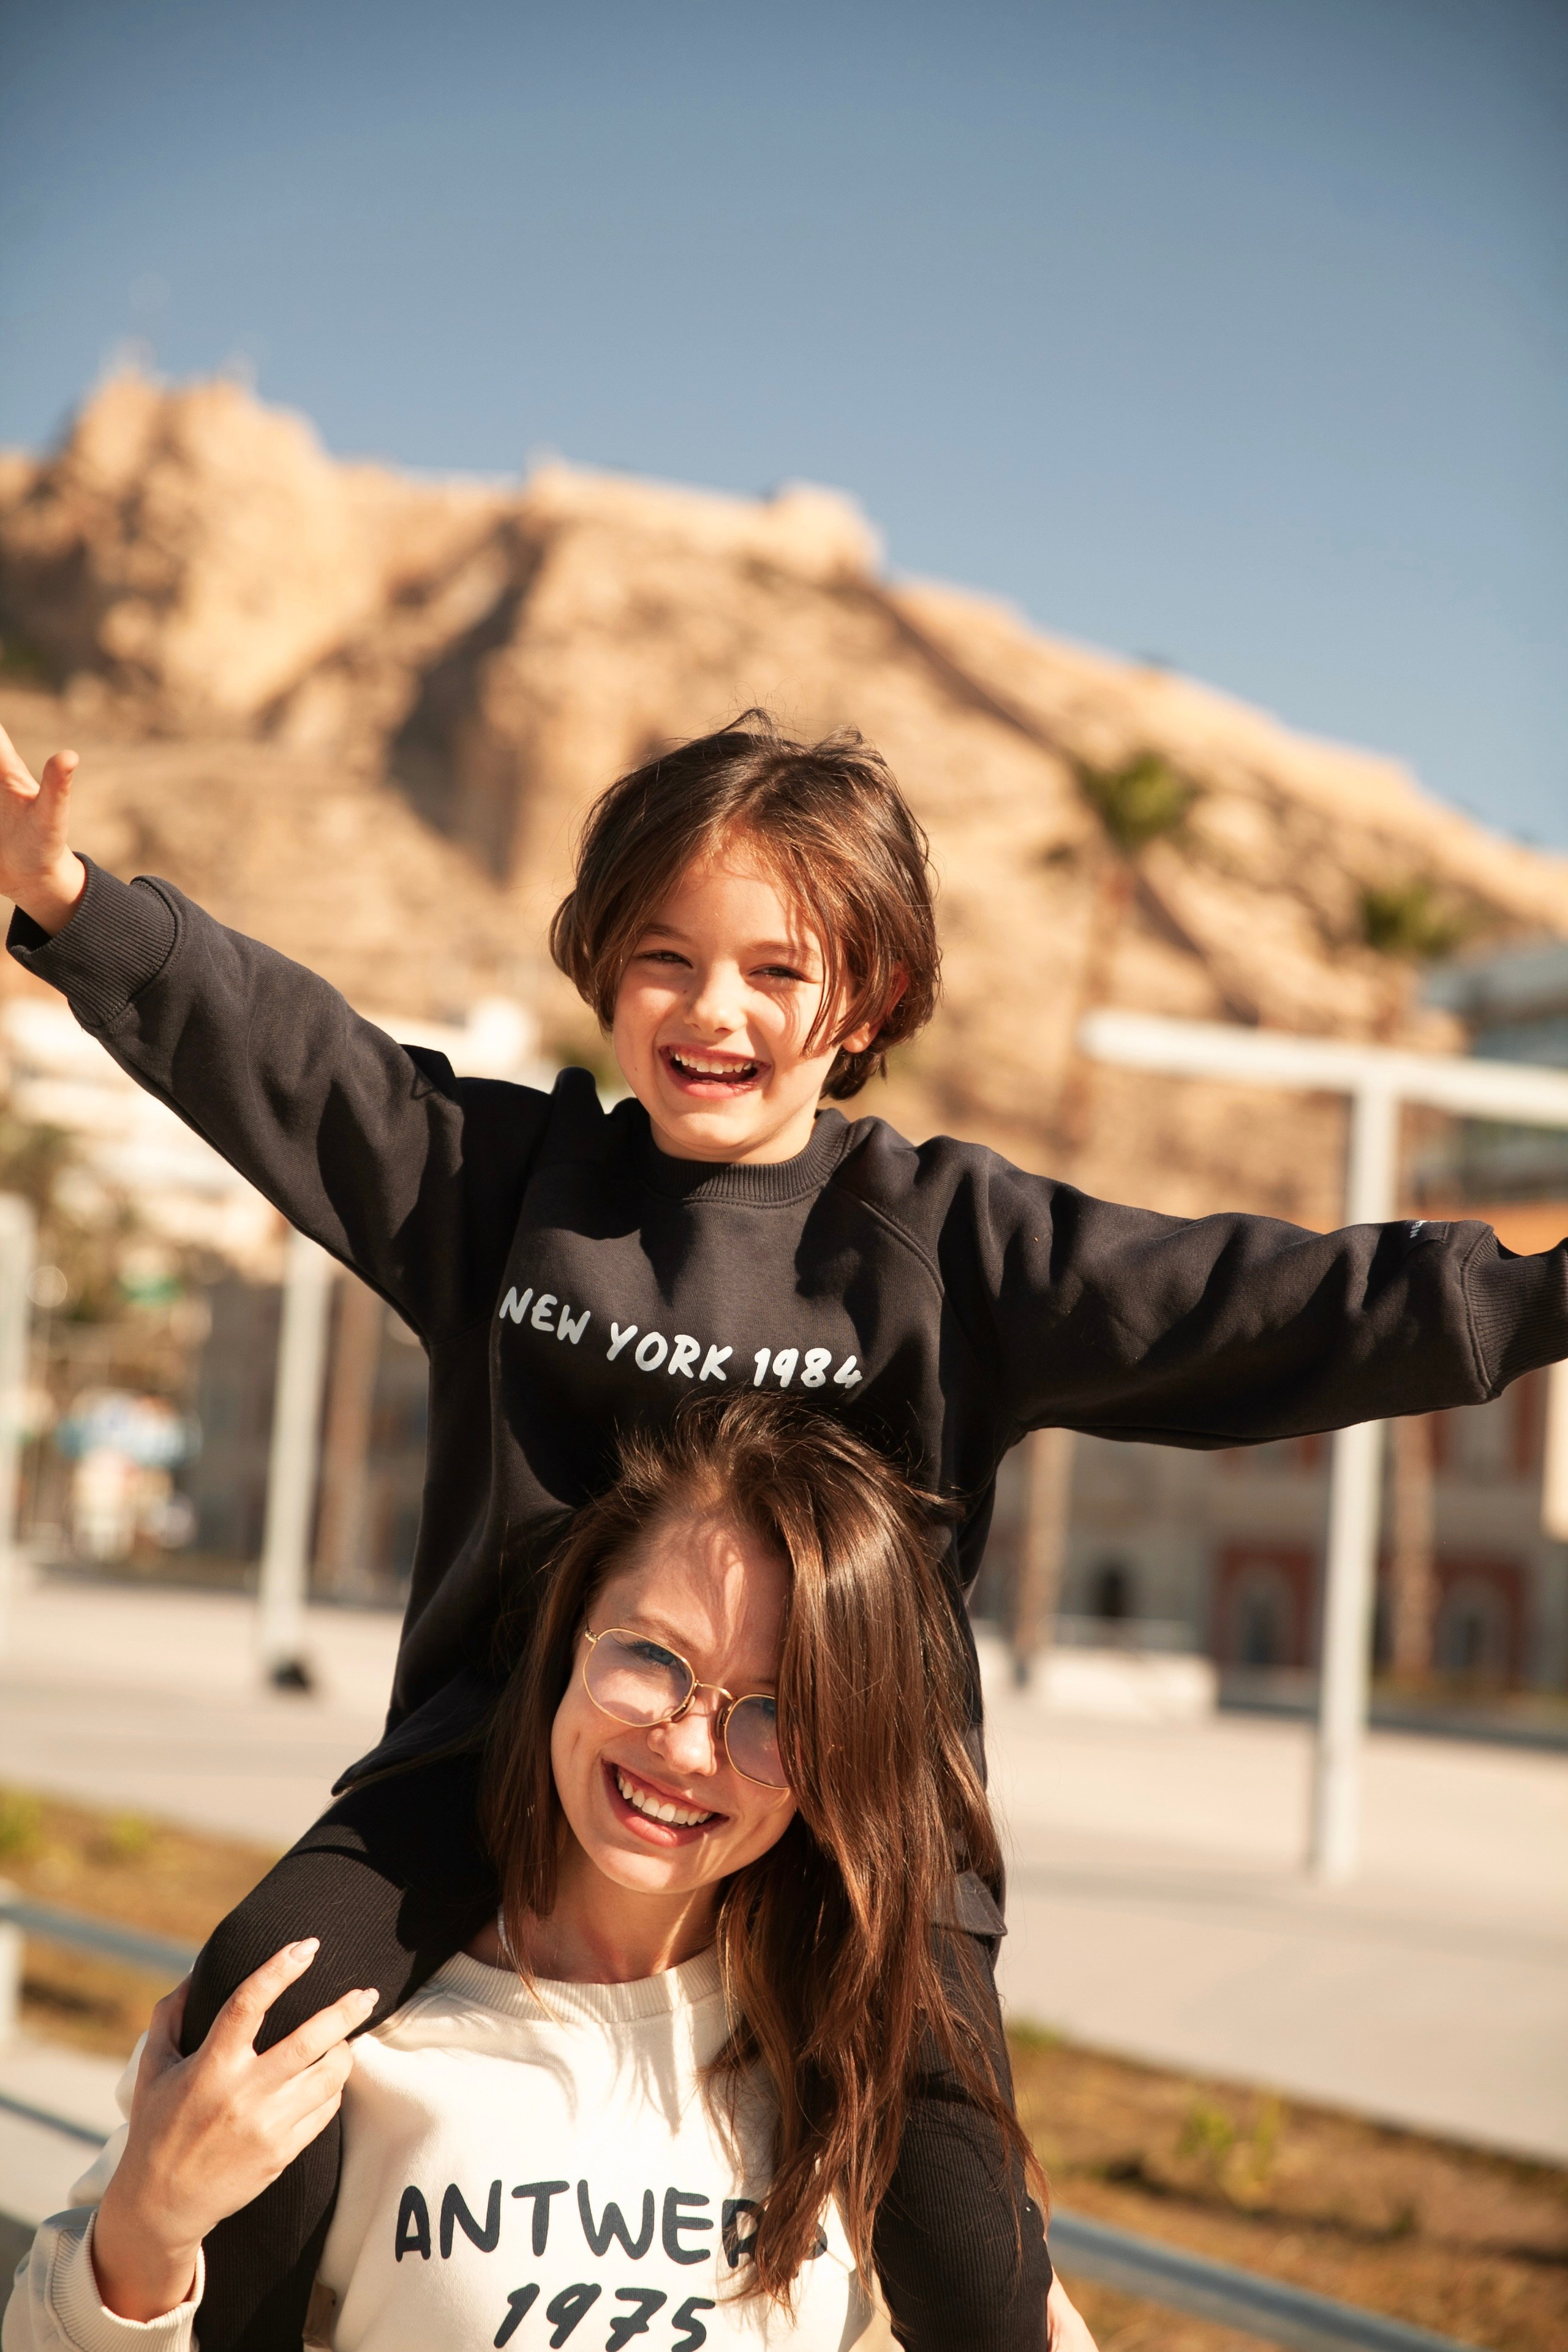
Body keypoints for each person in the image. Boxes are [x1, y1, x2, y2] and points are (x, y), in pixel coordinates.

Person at [2, 707, 1565, 2350]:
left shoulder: (949, 1244)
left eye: (775, 971)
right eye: (665, 959)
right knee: (256, 2008)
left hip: (858, 1805)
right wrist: (73, 905)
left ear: (868, 1000)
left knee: (967, 2242)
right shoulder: (510, 1189)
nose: (712, 1010)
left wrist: (1535, 1299)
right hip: (504, 1757)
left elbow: (1252, 1299)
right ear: (603, 964)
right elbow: (302, 1064)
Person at [5, 1397, 1098, 2351]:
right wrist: (146, 2230)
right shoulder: (341, 2030)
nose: (686, 1748)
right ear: (569, 1633)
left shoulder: (860, 2060)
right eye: (651, 1657)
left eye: (775, 1715)